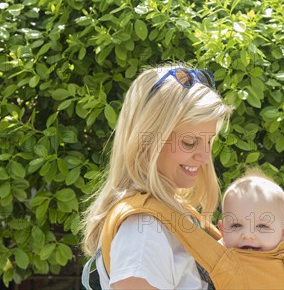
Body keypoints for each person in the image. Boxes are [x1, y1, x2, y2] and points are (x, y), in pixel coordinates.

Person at [81, 63, 232, 289]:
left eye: (209, 141)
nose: (204, 157)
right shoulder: (143, 229)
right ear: (147, 142)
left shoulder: (166, 214)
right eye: (190, 142)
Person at [218, 168, 284, 251]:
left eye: (261, 226)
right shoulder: (213, 258)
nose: (247, 235)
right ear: (222, 230)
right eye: (236, 225)